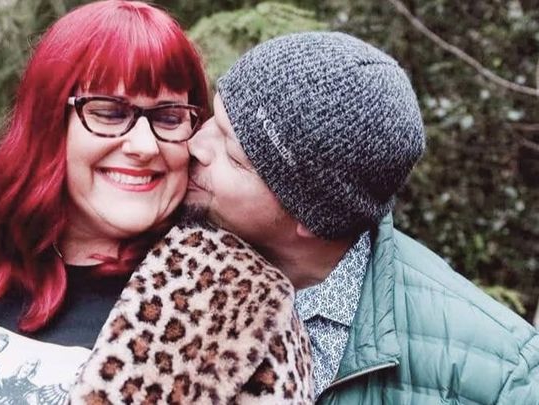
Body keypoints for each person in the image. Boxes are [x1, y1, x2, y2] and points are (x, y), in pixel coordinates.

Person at [0, 2, 313, 404]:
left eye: (168, 116)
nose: (144, 145)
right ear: (48, 124)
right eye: (109, 111)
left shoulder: (240, 311)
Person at [184, 31, 539, 404]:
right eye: (214, 117)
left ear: (310, 213)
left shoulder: (504, 380)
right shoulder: (164, 261)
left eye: (233, 156)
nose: (194, 145)